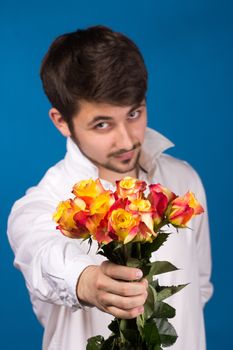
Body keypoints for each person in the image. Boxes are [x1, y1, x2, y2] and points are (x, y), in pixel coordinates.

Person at [7, 25, 213, 350]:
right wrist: (87, 281)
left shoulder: (184, 182)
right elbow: (43, 256)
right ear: (61, 121)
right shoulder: (41, 204)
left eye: (134, 113)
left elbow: (198, 289)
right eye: (102, 124)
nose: (128, 139)